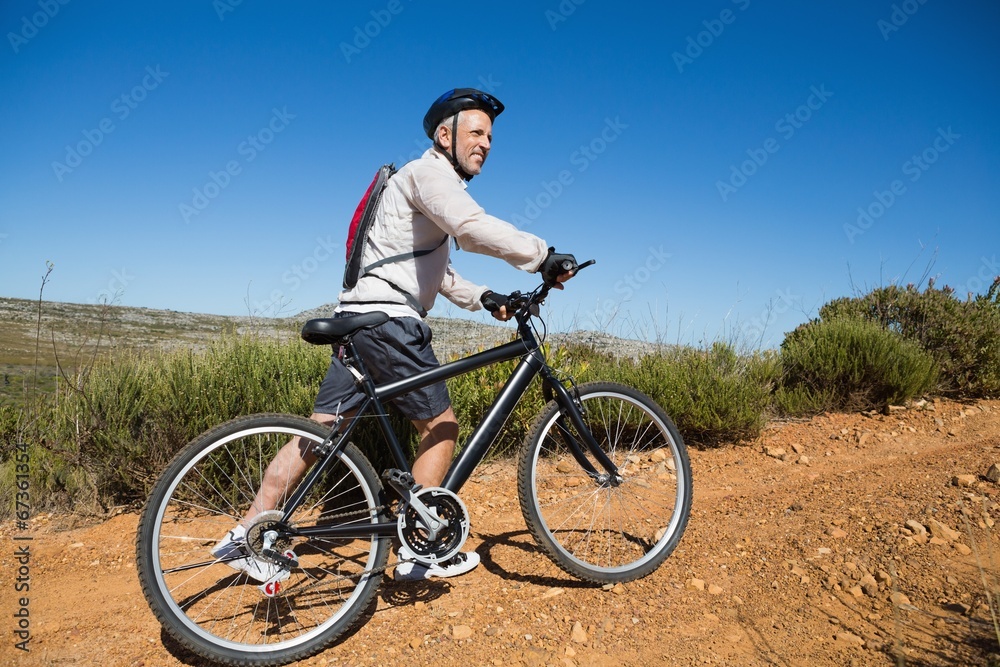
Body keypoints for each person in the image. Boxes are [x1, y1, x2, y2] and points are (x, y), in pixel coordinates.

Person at [212, 88, 576, 583]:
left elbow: (433, 273)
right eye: (476, 132)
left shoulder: (412, 185)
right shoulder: (429, 174)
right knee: (440, 427)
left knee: (322, 431)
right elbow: (470, 229)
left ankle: (250, 532)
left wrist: (486, 297)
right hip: (389, 323)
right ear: (444, 136)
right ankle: (421, 551)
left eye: (491, 137)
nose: (486, 143)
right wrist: (542, 255)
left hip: (359, 318)